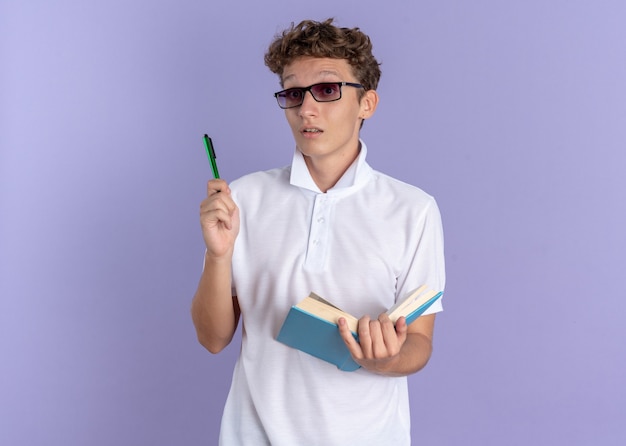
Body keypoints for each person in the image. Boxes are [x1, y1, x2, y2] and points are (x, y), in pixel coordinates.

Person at [191, 18, 445, 445]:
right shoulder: (244, 198)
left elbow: (419, 343)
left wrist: (384, 360)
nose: (306, 109)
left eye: (327, 90)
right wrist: (218, 256)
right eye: (293, 93)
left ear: (367, 103)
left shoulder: (413, 209)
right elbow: (212, 339)